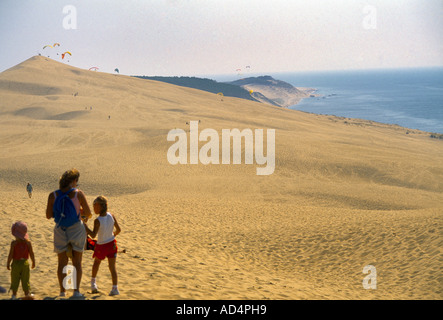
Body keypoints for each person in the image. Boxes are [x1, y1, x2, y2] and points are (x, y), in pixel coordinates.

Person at [46, 168, 92, 298]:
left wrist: (61, 212)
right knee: (77, 262)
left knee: (62, 262)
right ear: (73, 181)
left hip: (60, 229)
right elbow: (89, 213)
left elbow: (48, 215)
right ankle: (76, 292)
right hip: (76, 229)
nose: (77, 184)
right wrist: (80, 211)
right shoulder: (78, 194)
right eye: (76, 181)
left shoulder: (53, 195)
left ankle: (62, 291)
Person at [84, 196, 121, 296]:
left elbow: (93, 235)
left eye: (95, 205)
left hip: (101, 246)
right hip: (112, 244)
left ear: (101, 207)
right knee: (112, 267)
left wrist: (85, 227)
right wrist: (112, 235)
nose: (94, 208)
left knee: (96, 263)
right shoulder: (111, 215)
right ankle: (115, 288)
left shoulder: (98, 220)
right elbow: (118, 229)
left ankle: (93, 284)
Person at [7, 221, 36, 300]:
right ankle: (27, 294)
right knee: (25, 279)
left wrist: (8, 263)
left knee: (15, 279)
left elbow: (11, 255)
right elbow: (32, 254)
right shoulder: (28, 243)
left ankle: (14, 295)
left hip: (16, 263)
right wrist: (33, 262)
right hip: (25, 264)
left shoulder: (14, 243)